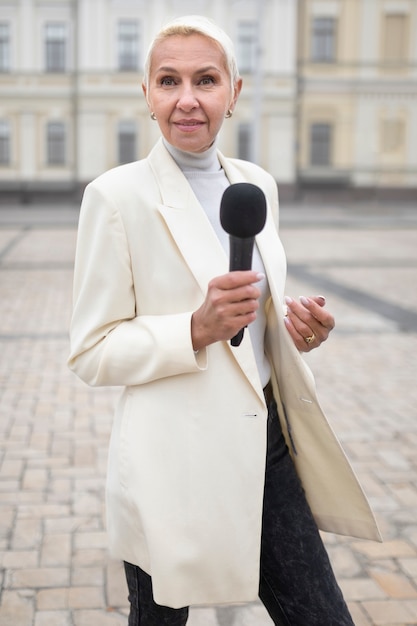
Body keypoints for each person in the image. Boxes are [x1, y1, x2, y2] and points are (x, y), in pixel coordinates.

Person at [68, 14, 380, 626]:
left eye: (206, 80)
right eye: (168, 80)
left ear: (233, 92)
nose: (187, 99)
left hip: (268, 450)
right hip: (171, 464)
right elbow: (91, 352)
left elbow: (252, 317)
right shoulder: (115, 197)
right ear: (147, 94)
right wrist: (194, 329)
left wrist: (295, 329)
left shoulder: (255, 184)